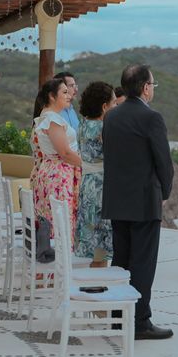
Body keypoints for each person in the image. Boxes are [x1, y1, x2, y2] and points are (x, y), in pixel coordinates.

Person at [102, 64, 174, 340]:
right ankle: (140, 321)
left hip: (117, 200)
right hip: (144, 201)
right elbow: (163, 163)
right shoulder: (151, 117)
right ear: (145, 87)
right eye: (153, 85)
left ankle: (118, 316)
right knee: (142, 264)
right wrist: (163, 193)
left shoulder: (112, 117)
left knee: (121, 260)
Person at [32, 79, 82, 243]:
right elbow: (65, 153)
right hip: (59, 175)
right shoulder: (53, 119)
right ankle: (57, 265)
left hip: (53, 171)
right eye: (64, 92)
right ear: (52, 96)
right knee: (59, 223)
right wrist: (87, 165)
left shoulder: (47, 116)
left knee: (52, 220)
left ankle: (54, 264)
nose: (69, 95)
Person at [75, 81, 117, 267]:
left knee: (94, 242)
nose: (116, 106)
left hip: (87, 183)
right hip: (101, 185)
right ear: (104, 106)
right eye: (114, 103)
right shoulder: (103, 128)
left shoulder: (83, 125)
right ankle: (97, 284)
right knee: (102, 245)